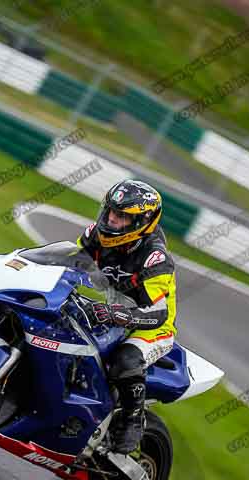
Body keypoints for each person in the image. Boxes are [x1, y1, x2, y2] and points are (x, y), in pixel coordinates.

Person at [76, 179, 177, 454]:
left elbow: (157, 313)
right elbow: (70, 263)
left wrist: (114, 313)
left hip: (152, 328)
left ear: (141, 222)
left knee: (125, 359)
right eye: (110, 212)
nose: (111, 220)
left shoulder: (156, 259)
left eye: (121, 217)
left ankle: (133, 420)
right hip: (113, 316)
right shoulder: (97, 236)